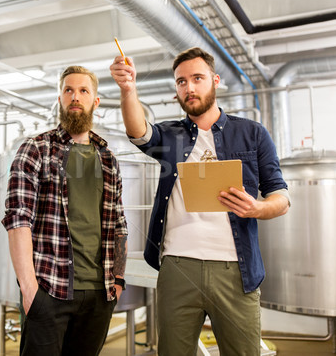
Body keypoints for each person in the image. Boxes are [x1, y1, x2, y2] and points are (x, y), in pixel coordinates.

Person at [110, 47, 290, 355]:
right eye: (181, 82)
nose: (189, 88)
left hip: (236, 271)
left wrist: (257, 208)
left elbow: (281, 196)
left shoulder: (252, 133)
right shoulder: (170, 135)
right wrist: (128, 89)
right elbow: (138, 132)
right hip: (178, 266)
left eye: (197, 78)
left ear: (215, 80)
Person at [1, 65, 128, 356]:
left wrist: (118, 281)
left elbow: (119, 223)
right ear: (59, 98)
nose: (75, 96)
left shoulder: (108, 159)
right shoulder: (36, 149)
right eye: (68, 90)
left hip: (99, 293)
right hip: (49, 288)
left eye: (83, 91)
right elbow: (18, 219)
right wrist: (29, 289)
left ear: (95, 102)